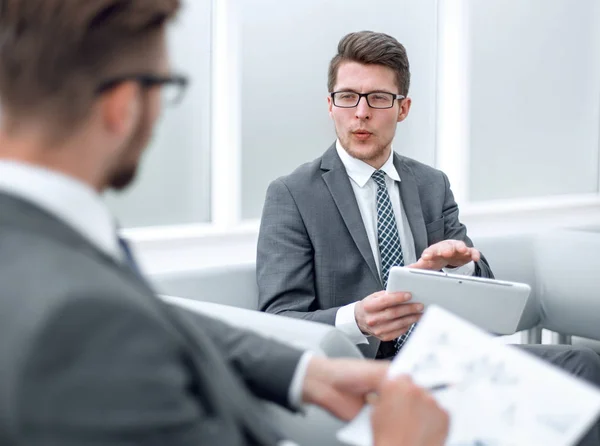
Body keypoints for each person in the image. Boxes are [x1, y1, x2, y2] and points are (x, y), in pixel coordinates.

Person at [0, 4, 449, 446]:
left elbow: (158, 319)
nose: (361, 112)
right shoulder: (75, 318)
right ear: (123, 105)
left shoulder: (45, 243)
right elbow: (119, 324)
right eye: (166, 85)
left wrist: (305, 371)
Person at [257, 30, 492, 360]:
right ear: (330, 104)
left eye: (379, 98)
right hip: (362, 374)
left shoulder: (432, 184)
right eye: (348, 96)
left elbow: (486, 288)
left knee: (581, 363)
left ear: (403, 108)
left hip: (444, 359)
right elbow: (279, 320)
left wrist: (458, 266)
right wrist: (357, 320)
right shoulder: (292, 195)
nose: (361, 112)